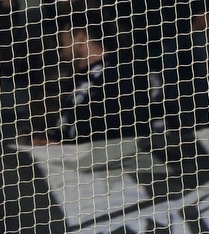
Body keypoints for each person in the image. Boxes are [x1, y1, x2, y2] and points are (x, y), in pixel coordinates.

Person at [47, 10, 162, 143]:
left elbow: (124, 134)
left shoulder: (122, 76)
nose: (61, 55)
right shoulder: (84, 80)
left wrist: (61, 145)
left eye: (62, 45)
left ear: (80, 38)